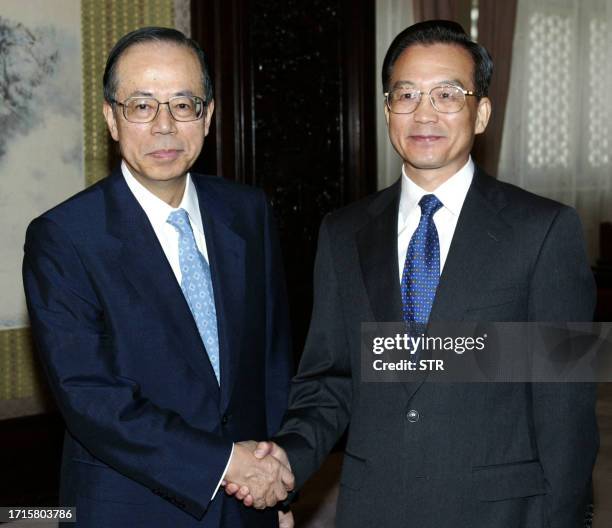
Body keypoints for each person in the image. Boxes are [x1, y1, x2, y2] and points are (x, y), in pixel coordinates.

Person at [226, 19, 598, 527]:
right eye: (406, 94)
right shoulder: (342, 232)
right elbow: (331, 379)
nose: (424, 113)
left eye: (447, 94)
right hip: (373, 505)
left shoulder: (546, 229)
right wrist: (287, 462)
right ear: (387, 111)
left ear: (482, 112)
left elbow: (566, 409)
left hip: (501, 511)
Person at [22, 27, 295, 528]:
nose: (165, 126)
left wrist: (276, 486)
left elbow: (272, 361)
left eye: (184, 104)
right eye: (142, 106)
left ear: (208, 116)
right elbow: (92, 398)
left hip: (249, 504)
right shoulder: (64, 238)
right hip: (132, 508)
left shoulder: (247, 211)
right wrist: (224, 463)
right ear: (111, 117)